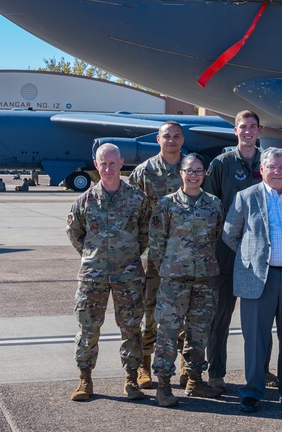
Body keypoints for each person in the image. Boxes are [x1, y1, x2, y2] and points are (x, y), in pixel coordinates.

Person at [223, 147, 282, 414]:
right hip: (258, 279)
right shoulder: (246, 197)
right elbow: (230, 234)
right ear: (262, 169)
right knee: (255, 339)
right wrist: (254, 257)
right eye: (272, 167)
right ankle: (252, 391)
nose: (277, 171)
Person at [66, 143, 150, 402]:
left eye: (113, 163)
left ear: (121, 163)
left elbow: (145, 234)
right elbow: (75, 233)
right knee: (88, 329)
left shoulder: (137, 199)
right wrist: (94, 256)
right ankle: (85, 379)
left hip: (129, 276)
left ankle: (131, 379)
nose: (109, 168)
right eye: (104, 163)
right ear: (96, 165)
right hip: (93, 276)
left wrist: (127, 256)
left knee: (131, 329)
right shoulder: (85, 200)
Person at [148, 153, 224, 406]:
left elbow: (216, 236)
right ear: (181, 173)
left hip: (205, 278)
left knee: (199, 332)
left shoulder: (214, 204)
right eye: (189, 170)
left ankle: (194, 380)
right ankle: (163, 386)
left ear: (204, 174)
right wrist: (169, 268)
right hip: (174, 280)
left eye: (199, 170)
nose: (194, 175)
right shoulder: (167, 204)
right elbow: (157, 243)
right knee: (167, 332)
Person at [204, 110, 266, 391]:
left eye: (253, 127)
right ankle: (216, 374)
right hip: (227, 249)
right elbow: (210, 205)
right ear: (235, 130)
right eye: (243, 127)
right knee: (221, 315)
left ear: (259, 130)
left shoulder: (268, 162)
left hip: (262, 252)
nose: (248, 131)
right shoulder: (222, 164)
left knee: (261, 317)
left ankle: (261, 371)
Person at [127, 121, 184, 390]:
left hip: (186, 254)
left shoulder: (192, 168)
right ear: (158, 140)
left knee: (185, 311)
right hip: (153, 257)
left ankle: (187, 366)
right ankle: (144, 367)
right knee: (149, 311)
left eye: (176, 136)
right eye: (166, 136)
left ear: (182, 140)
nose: (171, 140)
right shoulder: (143, 172)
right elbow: (131, 213)